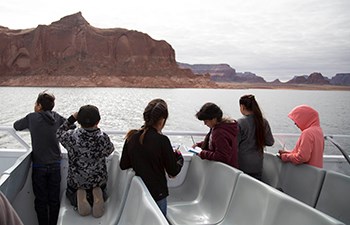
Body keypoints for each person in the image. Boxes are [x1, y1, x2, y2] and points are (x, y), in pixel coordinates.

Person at [120, 99, 183, 216]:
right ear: (162, 120)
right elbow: (173, 171)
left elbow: (124, 165)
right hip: (157, 193)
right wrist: (179, 157)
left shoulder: (131, 136)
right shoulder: (162, 140)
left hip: (137, 192)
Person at [13, 91, 65, 225]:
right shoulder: (57, 118)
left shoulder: (32, 118)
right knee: (54, 200)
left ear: (39, 105)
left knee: (41, 201)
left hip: (39, 166)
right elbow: (71, 125)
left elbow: (16, 126)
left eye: (36, 103)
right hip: (55, 165)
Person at [57, 105, 114, 218]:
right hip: (98, 182)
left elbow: (59, 132)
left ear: (79, 121)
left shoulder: (71, 136)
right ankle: (98, 194)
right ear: (98, 121)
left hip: (76, 183)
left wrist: (71, 119)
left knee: (72, 192)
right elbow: (110, 150)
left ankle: (78, 196)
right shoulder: (103, 138)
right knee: (100, 189)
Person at [237, 94, 275, 180]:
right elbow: (270, 142)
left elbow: (234, 145)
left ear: (242, 107)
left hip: (242, 165)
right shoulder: (263, 122)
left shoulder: (240, 123)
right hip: (257, 165)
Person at [192, 102, 238, 168]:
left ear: (214, 119)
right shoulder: (219, 128)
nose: (205, 123)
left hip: (224, 170)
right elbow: (216, 143)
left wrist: (203, 154)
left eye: (206, 120)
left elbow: (222, 156)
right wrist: (199, 144)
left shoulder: (219, 133)